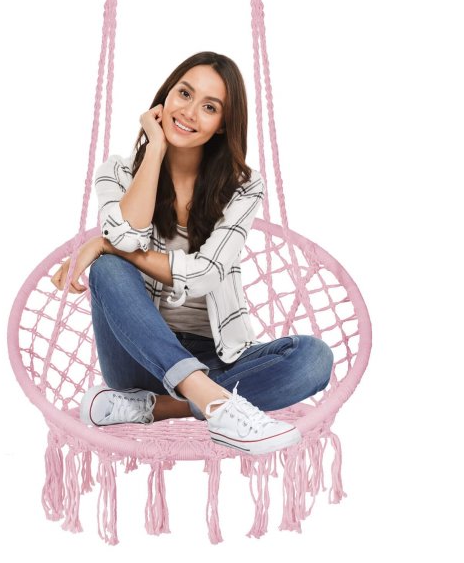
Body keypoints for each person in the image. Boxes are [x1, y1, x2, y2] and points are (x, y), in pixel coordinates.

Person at [51, 51, 333, 455]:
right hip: (137, 357)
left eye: (210, 107)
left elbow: (205, 275)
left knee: (313, 359)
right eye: (184, 94)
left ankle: (162, 406)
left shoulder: (243, 186)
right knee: (109, 269)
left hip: (218, 356)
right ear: (165, 96)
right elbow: (127, 238)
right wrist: (155, 150)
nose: (189, 112)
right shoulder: (117, 171)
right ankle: (217, 405)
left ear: (223, 125)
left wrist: (100, 243)